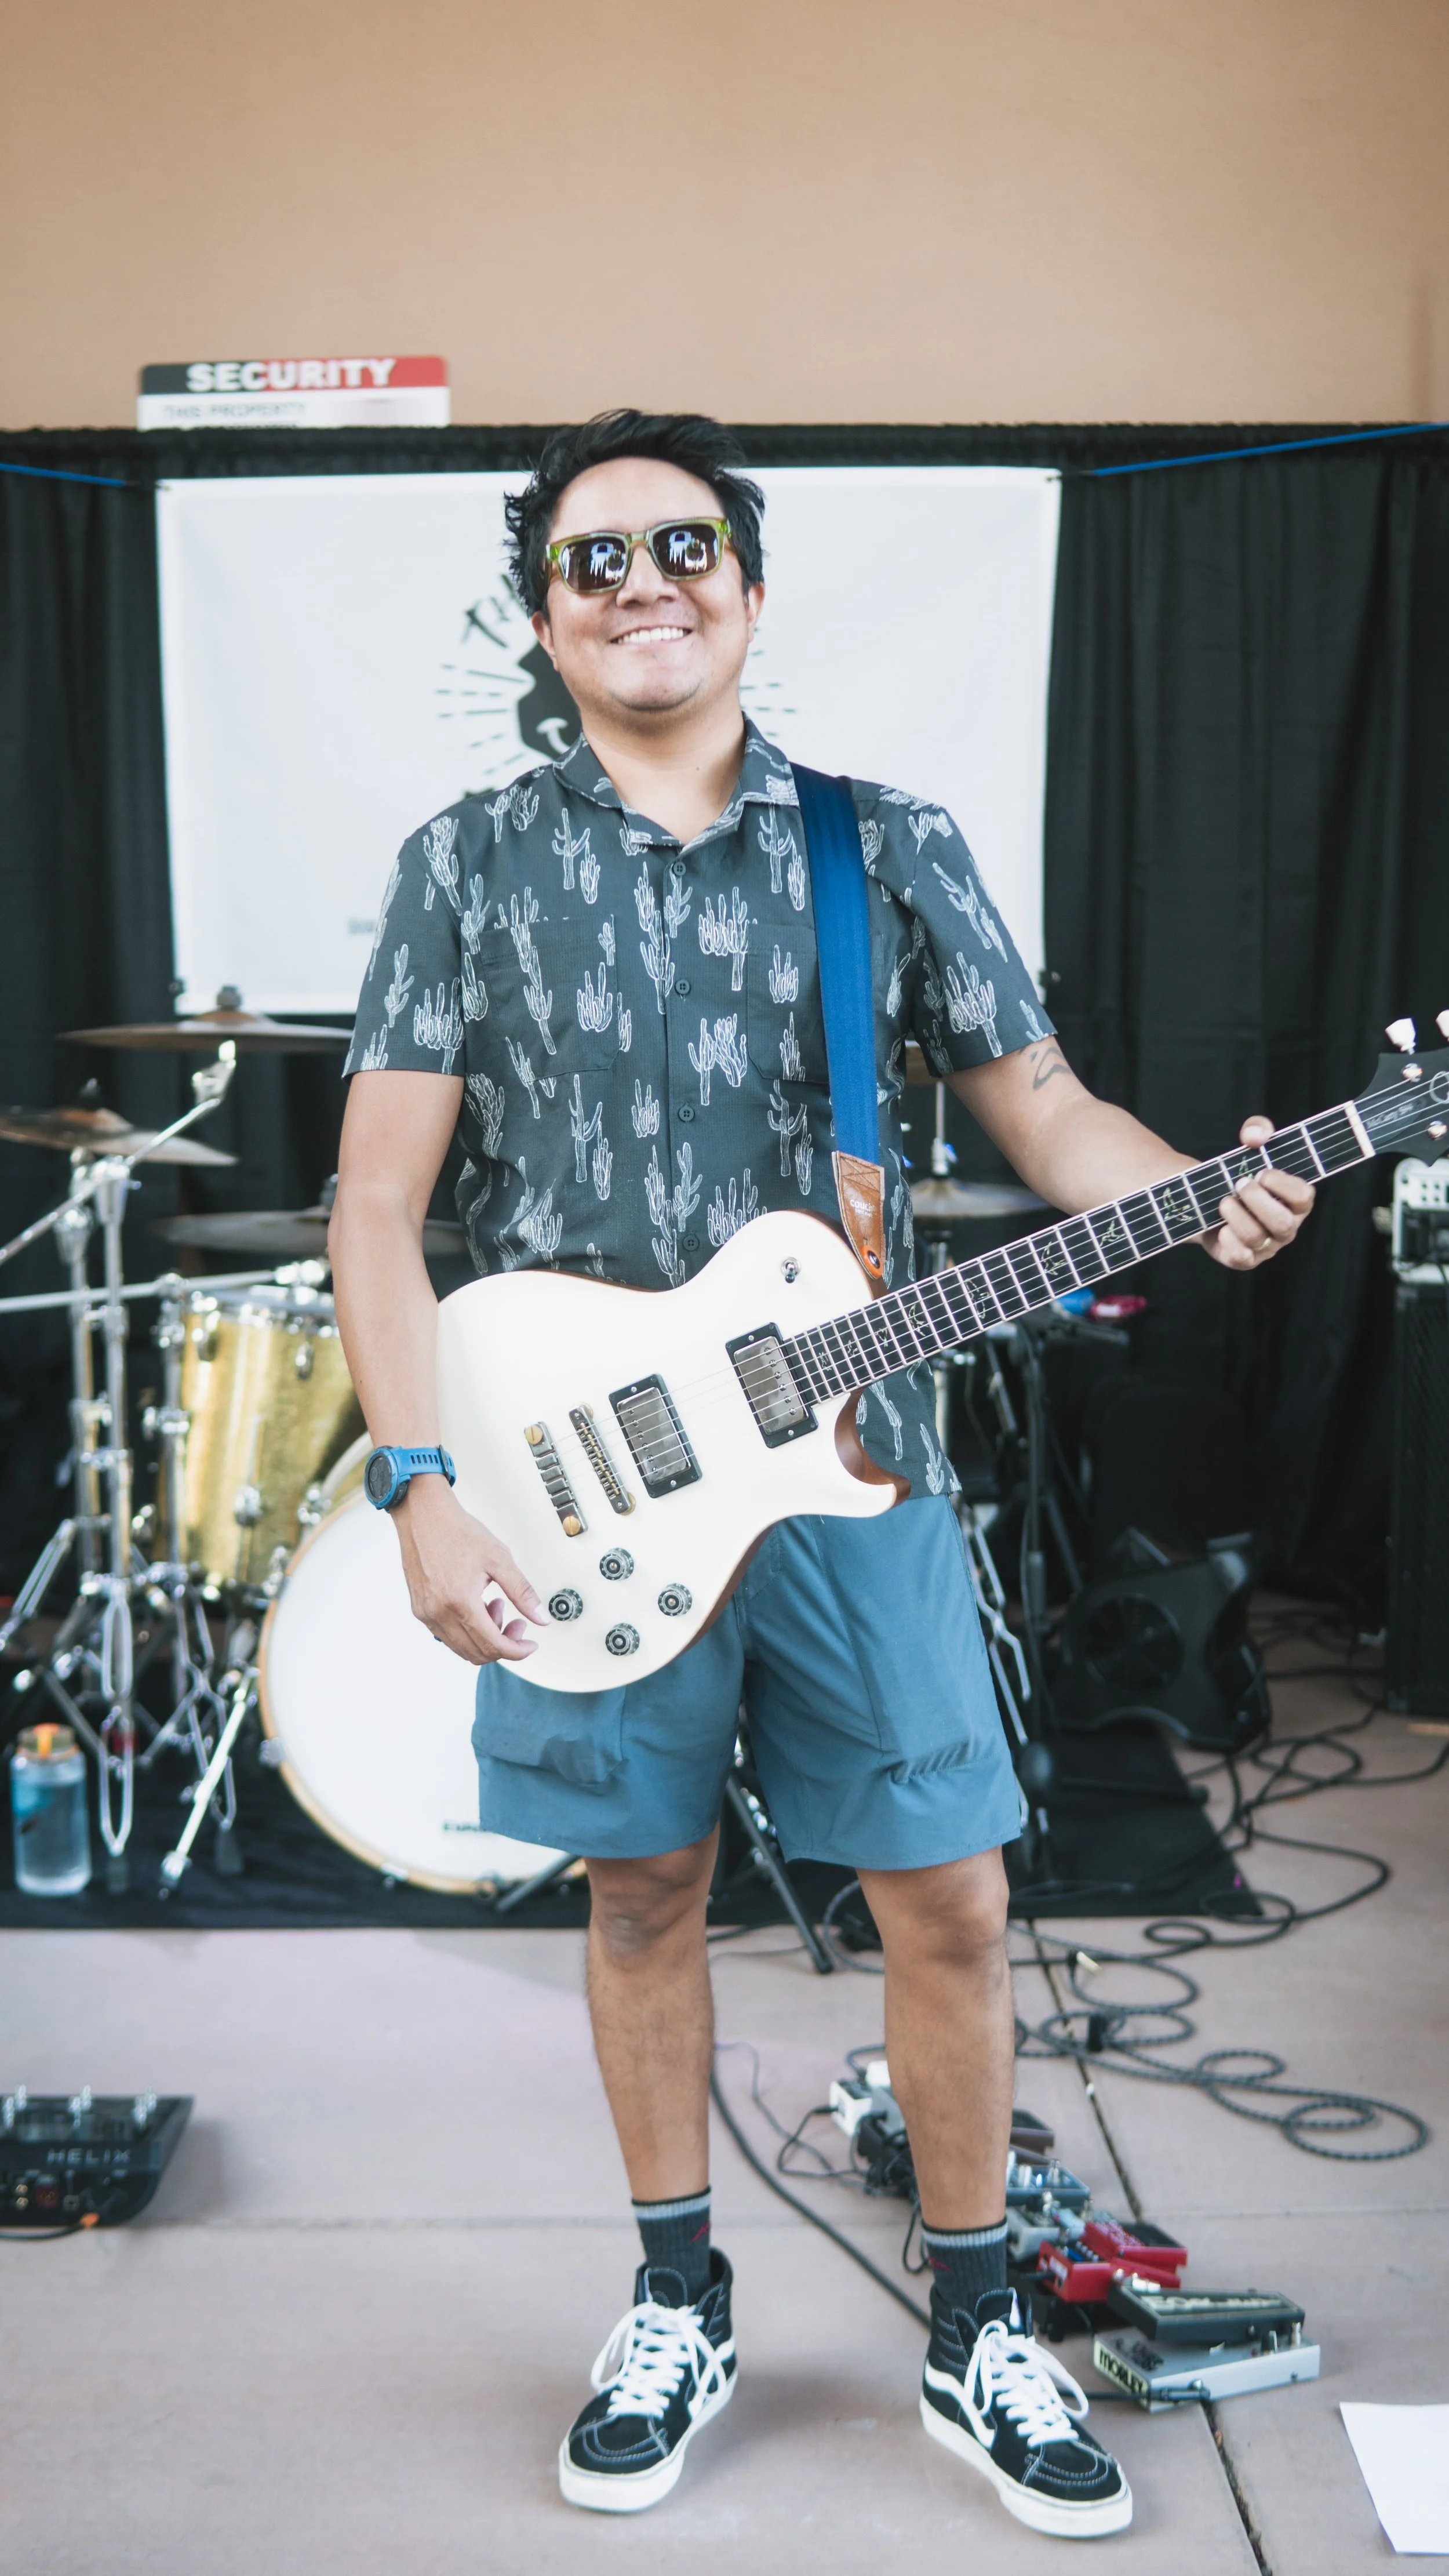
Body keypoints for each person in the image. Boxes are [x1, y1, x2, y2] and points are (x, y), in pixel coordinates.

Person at [328, 409, 1314, 2537]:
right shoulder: (466, 862)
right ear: (543, 617)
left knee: (950, 1895)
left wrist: (1203, 1187)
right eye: (594, 559)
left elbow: (1046, 1112)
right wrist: (419, 1477)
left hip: (857, 1460)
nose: (644, 580)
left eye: (686, 544)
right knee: (645, 1887)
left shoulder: (889, 846)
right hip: (579, 1483)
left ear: (751, 592)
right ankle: (677, 2294)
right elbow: (377, 1211)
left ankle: (976, 2326)